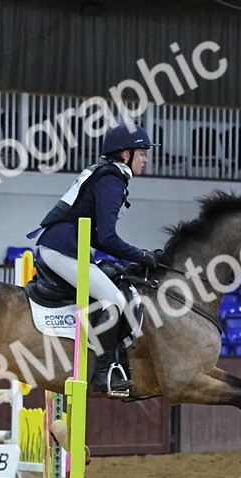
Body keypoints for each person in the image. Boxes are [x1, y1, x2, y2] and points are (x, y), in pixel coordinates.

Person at [30, 122, 162, 396]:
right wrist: (141, 255)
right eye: (142, 152)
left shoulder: (107, 175)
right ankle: (104, 374)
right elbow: (108, 238)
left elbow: (101, 238)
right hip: (62, 248)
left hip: (65, 246)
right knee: (115, 300)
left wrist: (137, 255)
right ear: (126, 154)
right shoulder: (111, 180)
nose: (146, 159)